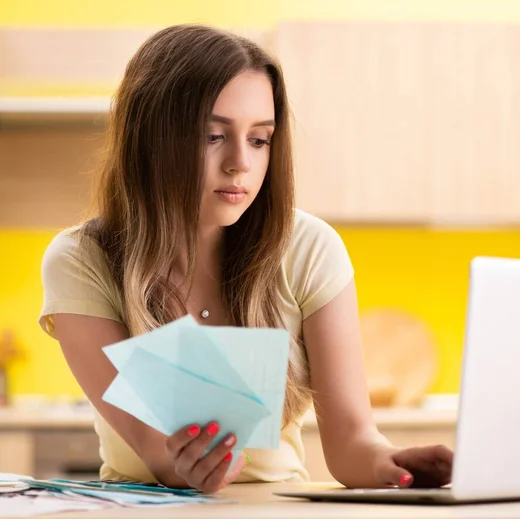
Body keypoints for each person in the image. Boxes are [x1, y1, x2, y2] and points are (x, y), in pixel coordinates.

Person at [39, 24, 453, 494]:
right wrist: (187, 467)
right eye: (214, 136)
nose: (241, 162)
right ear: (151, 139)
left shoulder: (311, 248)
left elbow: (352, 444)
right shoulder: (80, 260)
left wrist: (391, 463)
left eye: (259, 139)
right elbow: (156, 452)